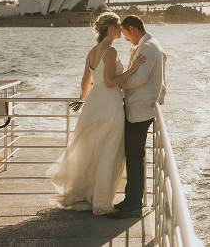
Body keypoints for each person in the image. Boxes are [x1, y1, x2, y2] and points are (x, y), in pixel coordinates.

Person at [48, 12, 146, 215]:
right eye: (118, 26)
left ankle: (91, 196)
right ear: (110, 29)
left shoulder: (92, 52)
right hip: (110, 105)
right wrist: (133, 68)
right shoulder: (110, 51)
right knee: (108, 153)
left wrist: (82, 100)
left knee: (92, 151)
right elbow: (111, 82)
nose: (121, 30)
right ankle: (101, 204)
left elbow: (85, 82)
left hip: (93, 104)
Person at [109, 14, 167, 219]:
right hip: (139, 108)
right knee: (134, 157)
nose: (125, 38)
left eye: (125, 33)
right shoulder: (149, 44)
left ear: (132, 29)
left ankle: (133, 205)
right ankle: (130, 199)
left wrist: (119, 82)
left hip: (140, 111)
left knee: (134, 158)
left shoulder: (148, 47)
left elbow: (139, 78)